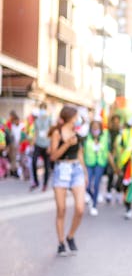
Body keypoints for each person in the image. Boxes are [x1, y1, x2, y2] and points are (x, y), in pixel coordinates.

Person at [48, 105, 86, 256]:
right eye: (76, 116)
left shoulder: (76, 132)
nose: (77, 119)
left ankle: (70, 236)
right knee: (61, 209)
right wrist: (67, 144)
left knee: (80, 208)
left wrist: (85, 173)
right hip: (61, 170)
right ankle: (61, 242)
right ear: (70, 117)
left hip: (76, 170)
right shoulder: (57, 133)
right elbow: (53, 156)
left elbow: (80, 154)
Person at [83, 119, 109, 216]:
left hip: (100, 163)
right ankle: (93, 196)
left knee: (96, 184)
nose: (95, 129)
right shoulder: (87, 137)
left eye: (97, 127)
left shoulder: (104, 137)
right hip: (89, 163)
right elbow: (83, 150)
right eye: (93, 127)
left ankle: (94, 205)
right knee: (87, 184)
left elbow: (106, 150)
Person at [31, 103, 52, 191]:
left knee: (47, 166)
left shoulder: (49, 120)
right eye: (41, 109)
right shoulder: (37, 120)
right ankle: (36, 181)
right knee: (34, 162)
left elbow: (51, 133)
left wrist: (50, 145)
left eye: (44, 109)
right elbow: (35, 133)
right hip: (38, 144)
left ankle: (45, 184)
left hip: (46, 144)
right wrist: (33, 143)